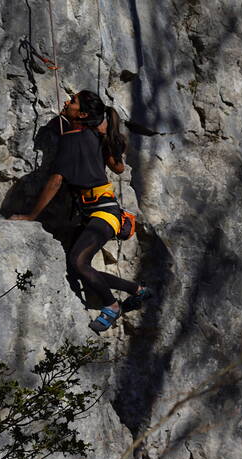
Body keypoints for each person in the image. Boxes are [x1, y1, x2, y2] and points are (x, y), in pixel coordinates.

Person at [11, 90, 149, 333]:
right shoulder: (93, 135)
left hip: (104, 213)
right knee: (78, 267)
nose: (67, 101)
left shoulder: (74, 138)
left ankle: (111, 307)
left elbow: (55, 181)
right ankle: (136, 290)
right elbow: (118, 168)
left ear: (83, 114)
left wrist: (32, 216)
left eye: (72, 101)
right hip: (101, 211)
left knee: (78, 261)